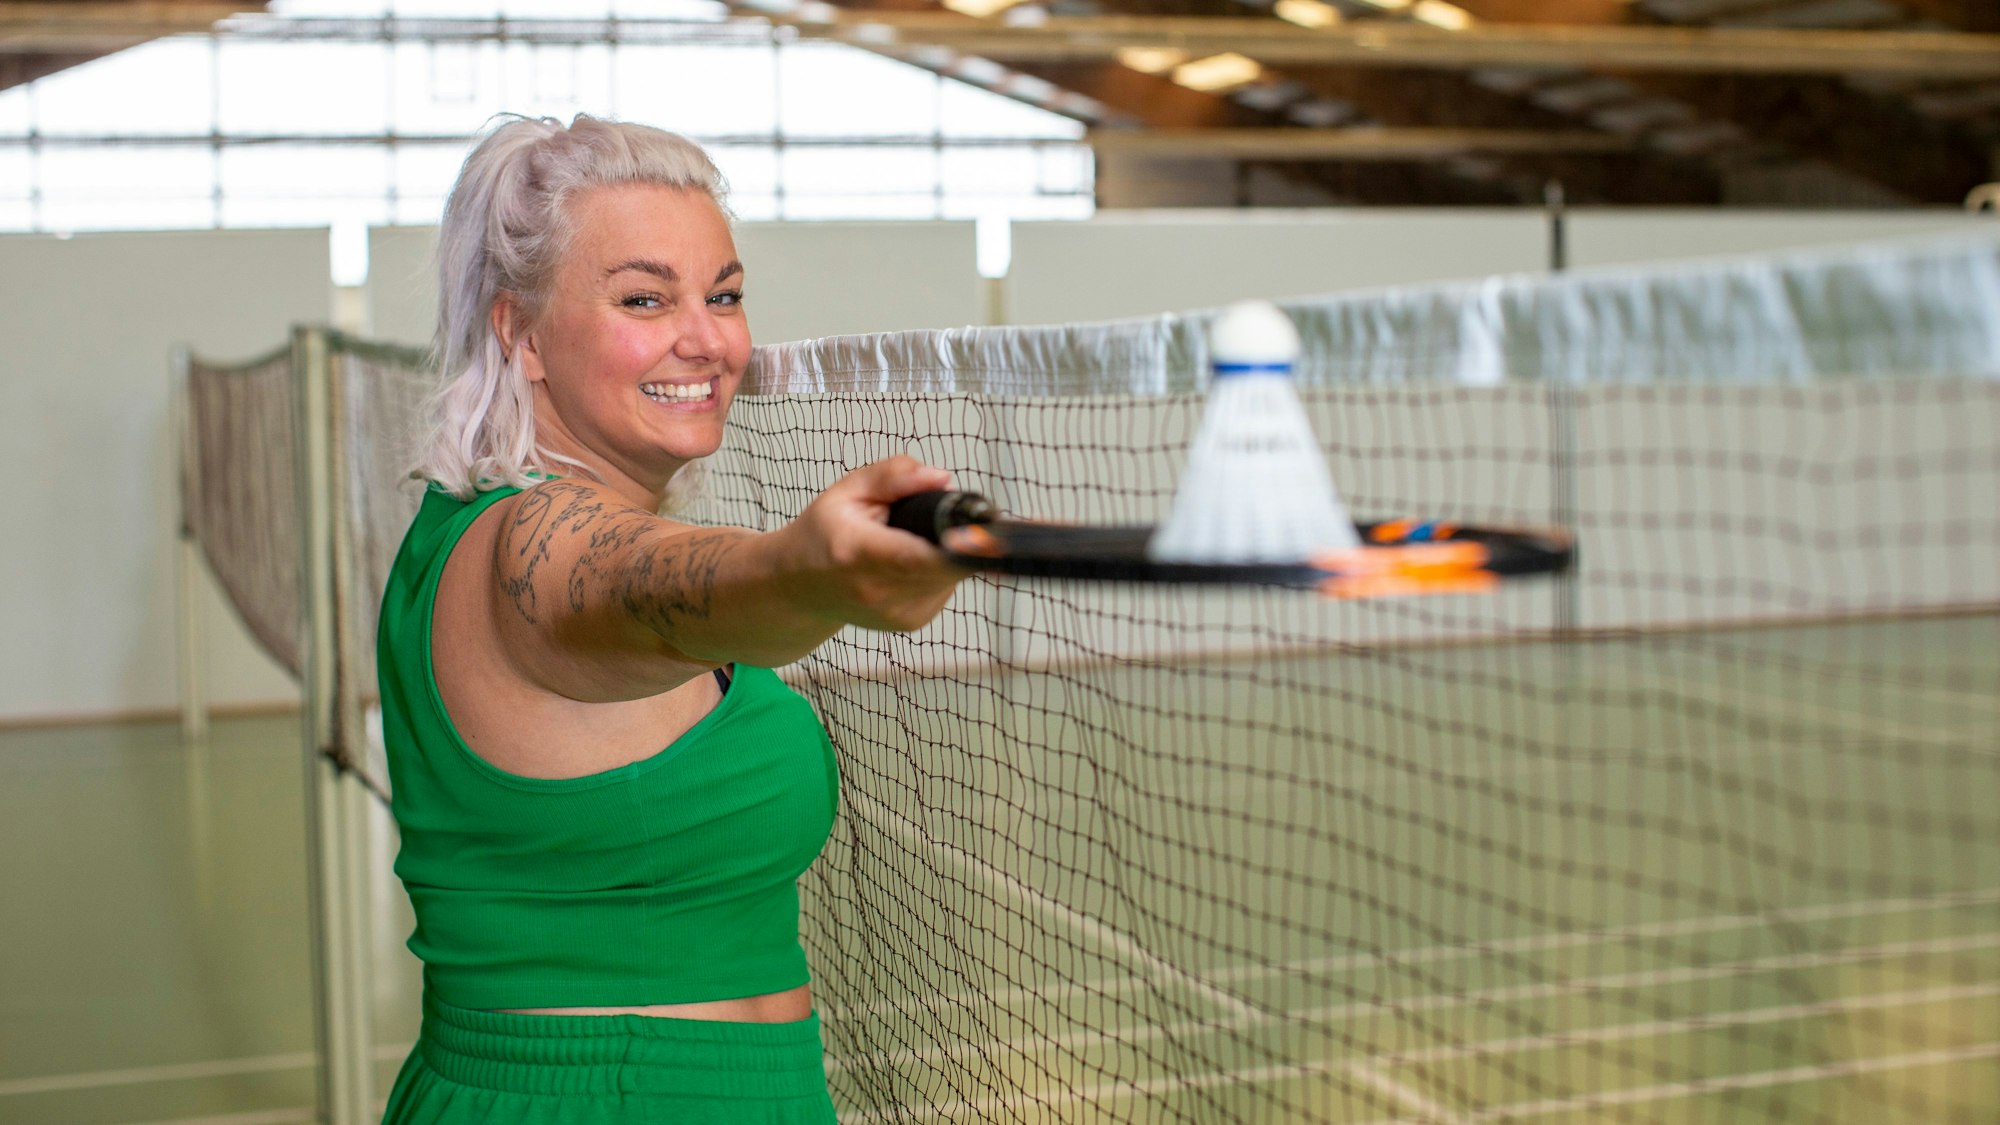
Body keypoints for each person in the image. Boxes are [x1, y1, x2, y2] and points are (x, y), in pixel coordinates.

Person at [375, 113, 967, 1124]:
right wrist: (804, 570)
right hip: (606, 1096)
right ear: (517, 332)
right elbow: (643, 585)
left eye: (723, 295)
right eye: (644, 299)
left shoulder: (474, 521)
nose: (706, 339)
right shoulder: (533, 546)